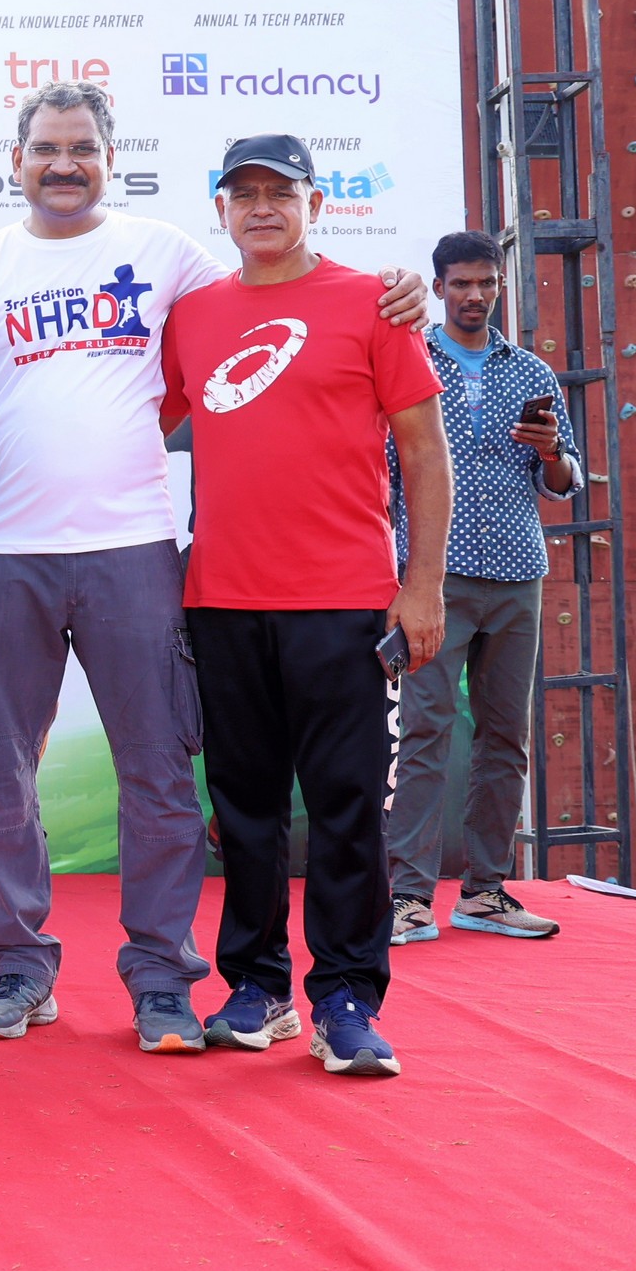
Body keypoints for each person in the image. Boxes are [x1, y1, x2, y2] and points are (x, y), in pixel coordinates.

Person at [0, 82, 428, 1053]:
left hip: (136, 549)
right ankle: (19, 966)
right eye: (46, 148)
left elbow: (279, 280)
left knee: (159, 775)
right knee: (1, 772)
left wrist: (398, 285)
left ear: (112, 159)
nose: (64, 164)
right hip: (8, 548)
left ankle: (162, 976)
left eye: (83, 147)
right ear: (16, 159)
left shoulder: (170, 256)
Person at [159, 135, 450, 1081]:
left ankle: (348, 999)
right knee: (243, 811)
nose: (261, 209)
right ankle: (257, 987)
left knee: (346, 808)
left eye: (279, 193)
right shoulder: (192, 314)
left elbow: (424, 450)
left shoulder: (374, 303)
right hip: (222, 600)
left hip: (347, 603)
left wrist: (423, 585)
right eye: (242, 194)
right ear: (221, 210)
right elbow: (135, 421)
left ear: (315, 204)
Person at [384, 229, 579, 946]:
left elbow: (564, 482)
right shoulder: (407, 356)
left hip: (519, 574)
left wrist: (551, 451)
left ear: (500, 286)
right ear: (438, 288)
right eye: (461, 283)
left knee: (506, 736)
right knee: (425, 732)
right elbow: (382, 470)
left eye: (487, 283)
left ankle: (486, 892)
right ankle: (407, 898)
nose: (475, 295)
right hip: (432, 579)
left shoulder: (531, 371)